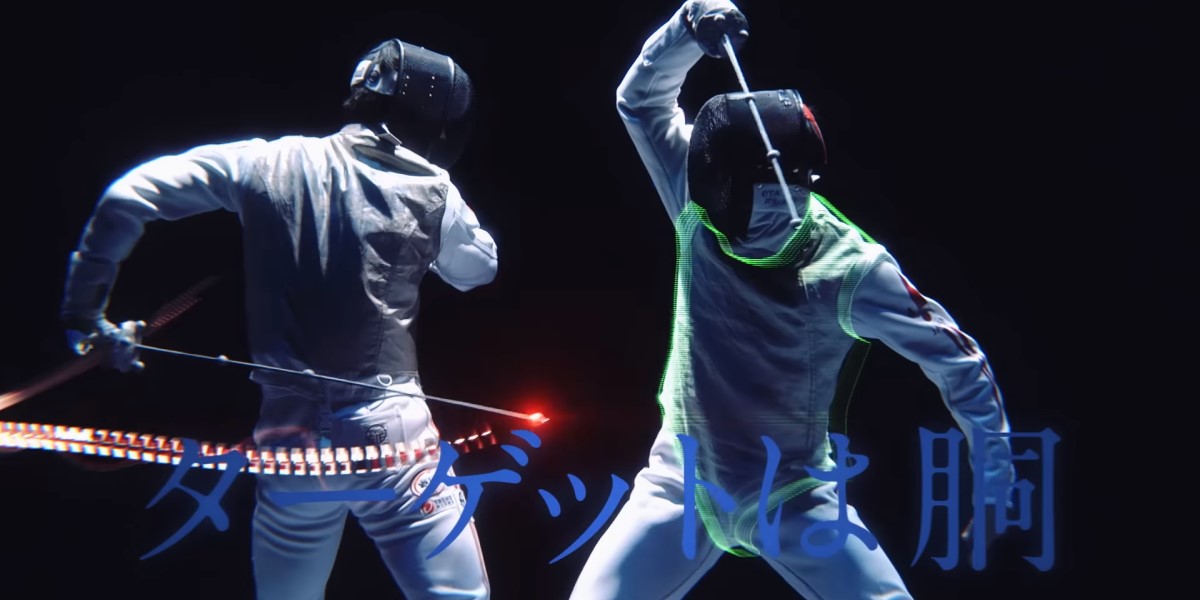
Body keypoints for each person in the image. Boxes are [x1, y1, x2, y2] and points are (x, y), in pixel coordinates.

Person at [569, 1, 1016, 598]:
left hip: (793, 497)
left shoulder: (850, 265)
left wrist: (996, 477)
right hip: (681, 484)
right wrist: (688, 26)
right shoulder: (697, 199)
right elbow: (639, 102)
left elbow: (959, 361)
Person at [58, 38, 497, 600]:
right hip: (391, 444)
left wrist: (84, 315)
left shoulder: (266, 161)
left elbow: (128, 194)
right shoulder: (433, 190)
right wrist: (429, 223)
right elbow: (478, 270)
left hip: (290, 446)